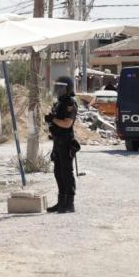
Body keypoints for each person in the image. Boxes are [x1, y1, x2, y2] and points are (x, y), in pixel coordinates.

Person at [46, 76, 78, 213]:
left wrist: (53, 119)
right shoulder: (58, 103)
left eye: (61, 87)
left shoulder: (70, 103)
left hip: (66, 142)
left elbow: (67, 123)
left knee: (66, 172)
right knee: (58, 172)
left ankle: (69, 203)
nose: (58, 90)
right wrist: (50, 121)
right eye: (57, 87)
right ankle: (61, 202)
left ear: (68, 88)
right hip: (57, 141)